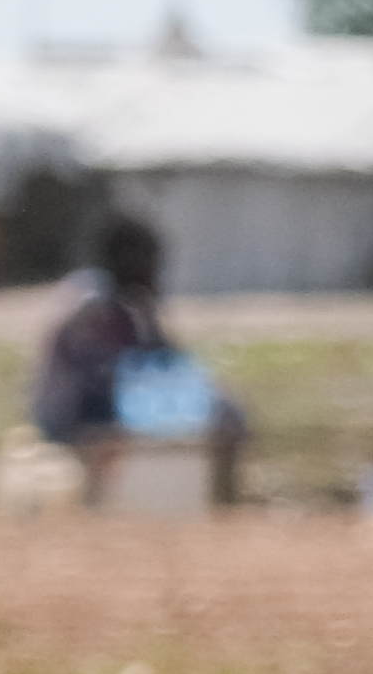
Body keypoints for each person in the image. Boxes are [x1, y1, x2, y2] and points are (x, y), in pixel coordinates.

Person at [26, 213, 243, 500]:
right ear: (125, 258)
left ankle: (216, 497)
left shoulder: (130, 303)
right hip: (71, 414)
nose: (156, 269)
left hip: (109, 402)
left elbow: (165, 358)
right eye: (150, 259)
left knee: (225, 410)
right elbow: (105, 378)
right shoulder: (90, 305)